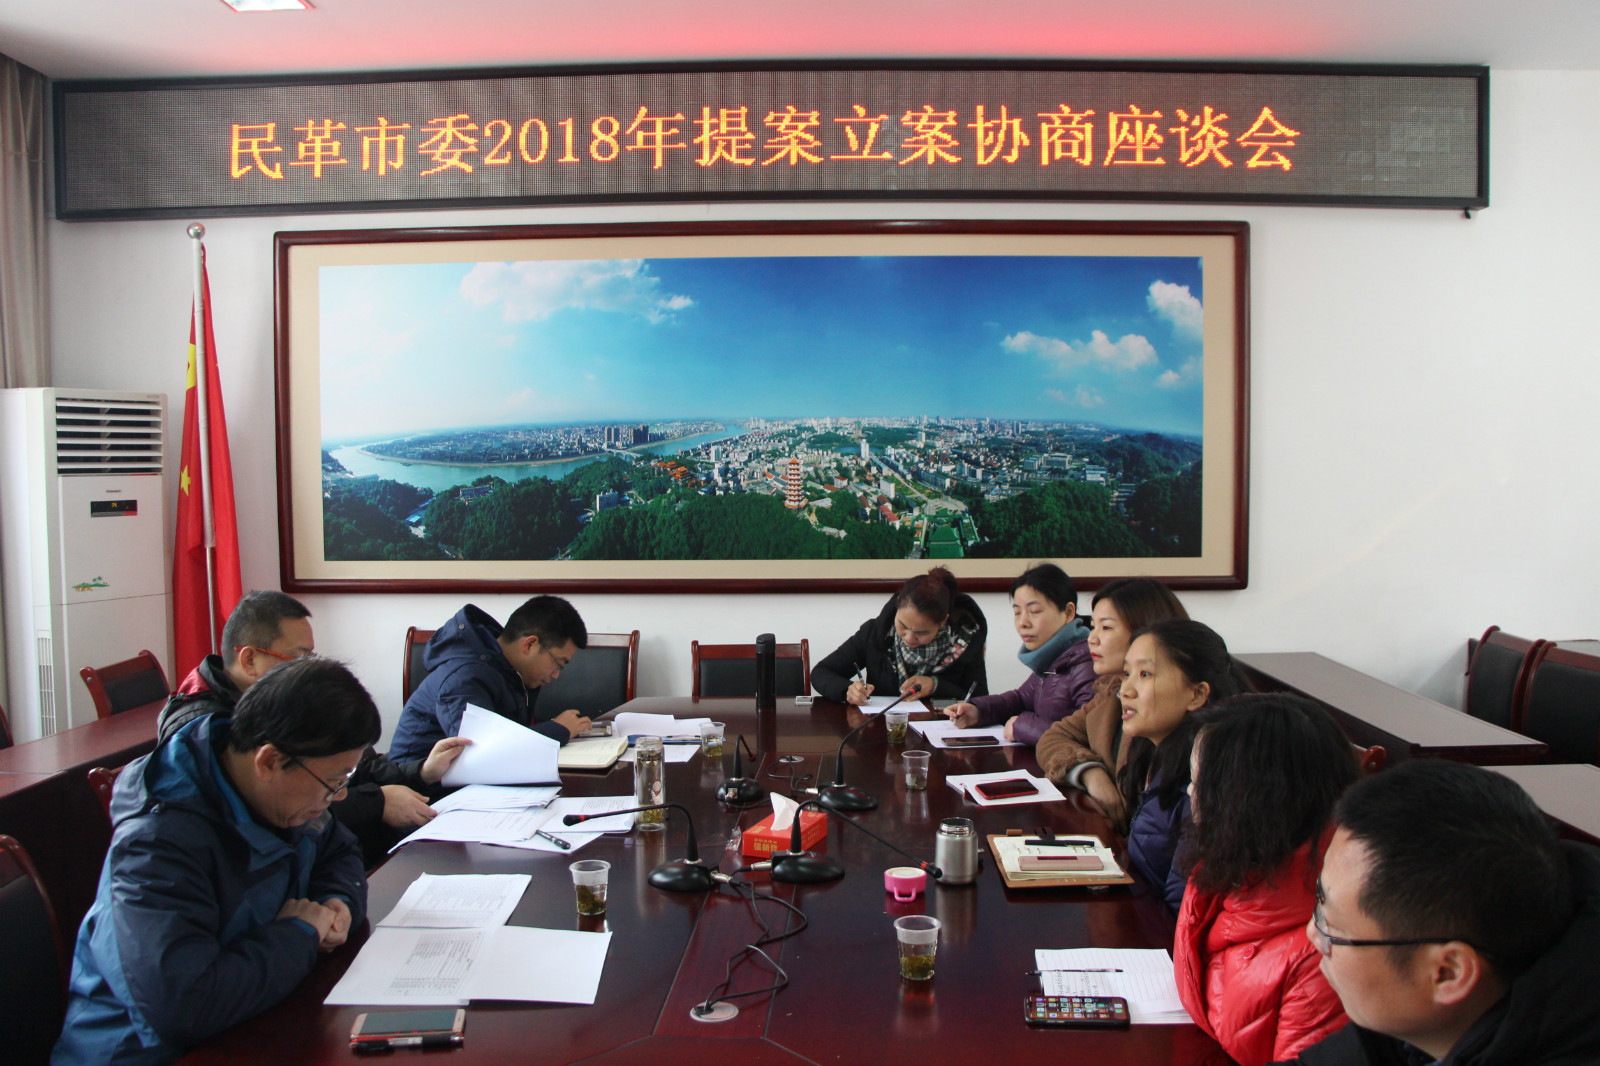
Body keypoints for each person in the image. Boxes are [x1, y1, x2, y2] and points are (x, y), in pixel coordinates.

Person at [53, 657, 381, 1066]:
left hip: (252, 1020)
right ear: (269, 761)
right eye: (334, 782)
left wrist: (336, 901)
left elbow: (339, 851)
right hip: (143, 1053)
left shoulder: (285, 794)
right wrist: (299, 934)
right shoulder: (157, 844)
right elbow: (184, 1008)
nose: (338, 797)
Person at [1275, 760, 1600, 1066]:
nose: (1313, 933)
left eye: (1331, 926)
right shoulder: (1411, 1023)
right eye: (1319, 899)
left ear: (1447, 972)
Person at [157, 590, 469, 866]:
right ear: (250, 659)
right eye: (297, 658)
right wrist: (377, 803)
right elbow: (274, 814)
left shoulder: (287, 699)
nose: (307, 668)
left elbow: (354, 770)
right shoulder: (201, 733)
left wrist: (421, 771)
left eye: (311, 656)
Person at [1174, 694, 1356, 1066]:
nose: (1190, 793)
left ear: (1244, 798)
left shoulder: (1322, 955)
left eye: (1199, 782)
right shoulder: (1231, 868)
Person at [1035, 577, 1189, 826]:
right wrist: (1089, 772)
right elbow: (1053, 738)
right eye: (1093, 626)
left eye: (1106, 628)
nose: (1092, 638)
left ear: (1145, 629)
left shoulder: (1170, 707)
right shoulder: (1112, 691)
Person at [1119, 618, 1248, 911]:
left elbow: (1182, 908)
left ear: (1197, 694)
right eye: (1127, 673)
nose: (1126, 689)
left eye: (1145, 674)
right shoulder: (1153, 751)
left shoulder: (1204, 779)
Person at [389, 595, 591, 760]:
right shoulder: (464, 677)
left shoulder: (508, 670)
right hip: (420, 790)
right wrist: (557, 730)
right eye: (558, 663)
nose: (555, 675)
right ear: (529, 644)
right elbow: (480, 753)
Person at [942, 562, 1095, 746]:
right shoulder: (1053, 657)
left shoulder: (1088, 663)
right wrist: (978, 711)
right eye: (1017, 612)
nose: (1023, 622)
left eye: (1034, 611)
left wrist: (1021, 726)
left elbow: (1087, 734)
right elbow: (1021, 699)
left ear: (1068, 612)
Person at [811, 566, 988, 705]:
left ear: (943, 622)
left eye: (921, 633)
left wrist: (935, 686)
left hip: (939, 733)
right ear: (897, 607)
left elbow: (980, 699)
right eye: (903, 626)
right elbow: (821, 672)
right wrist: (848, 690)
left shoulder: (965, 642)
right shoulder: (876, 632)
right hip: (881, 731)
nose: (909, 638)